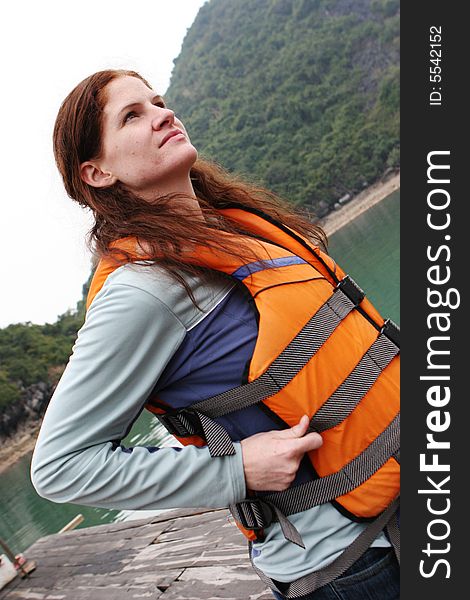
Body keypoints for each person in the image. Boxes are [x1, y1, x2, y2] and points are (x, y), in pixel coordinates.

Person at [31, 69, 400, 599]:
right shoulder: (141, 292)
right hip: (350, 564)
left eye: (158, 102)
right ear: (97, 173)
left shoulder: (238, 230)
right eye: (132, 115)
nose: (163, 114)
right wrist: (236, 470)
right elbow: (61, 467)